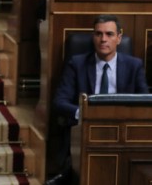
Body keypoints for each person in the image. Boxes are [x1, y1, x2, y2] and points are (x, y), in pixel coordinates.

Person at [52, 14, 149, 183]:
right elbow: (59, 101)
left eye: (109, 34)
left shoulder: (134, 66)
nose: (103, 39)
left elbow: (146, 102)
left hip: (122, 130)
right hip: (86, 129)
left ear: (119, 38)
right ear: (93, 37)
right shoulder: (77, 63)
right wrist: (82, 114)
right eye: (98, 34)